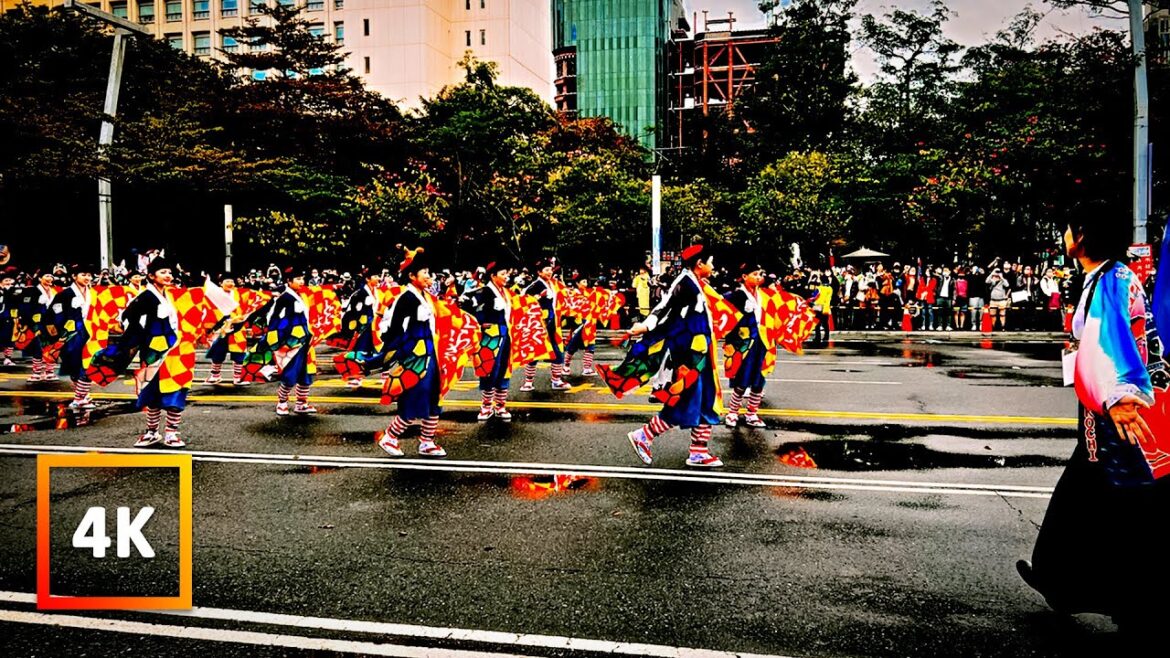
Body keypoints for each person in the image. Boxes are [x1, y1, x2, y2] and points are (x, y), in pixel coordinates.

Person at [1016, 205, 1166, 634]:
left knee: (1122, 505)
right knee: (1085, 496)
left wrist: (1119, 399)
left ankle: (1126, 601)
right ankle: (1062, 581)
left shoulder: (1110, 280)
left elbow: (1115, 342)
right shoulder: (1106, 276)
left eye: (1068, 228)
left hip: (1115, 413)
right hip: (1102, 412)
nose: (1064, 235)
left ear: (1081, 235)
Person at [612, 243, 724, 468]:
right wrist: (645, 326)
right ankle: (644, 435)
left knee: (706, 399)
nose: (713, 266)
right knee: (686, 399)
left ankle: (699, 451)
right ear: (699, 264)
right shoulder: (685, 283)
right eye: (711, 262)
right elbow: (665, 307)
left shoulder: (697, 283)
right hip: (689, 356)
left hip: (701, 354)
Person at [371, 247, 447, 458]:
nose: (429, 276)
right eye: (425, 272)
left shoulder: (426, 296)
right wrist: (392, 355)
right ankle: (390, 437)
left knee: (434, 396)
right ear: (412, 276)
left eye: (429, 272)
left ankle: (427, 441)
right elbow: (394, 329)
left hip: (431, 354)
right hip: (415, 357)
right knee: (415, 396)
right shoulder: (406, 298)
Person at [247, 268, 318, 416]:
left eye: (302, 278)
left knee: (306, 373)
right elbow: (274, 319)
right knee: (290, 373)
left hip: (305, 340)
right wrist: (283, 339)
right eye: (297, 279)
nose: (301, 282)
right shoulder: (284, 298)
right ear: (289, 281)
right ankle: (282, 402)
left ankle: (301, 403)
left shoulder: (301, 295)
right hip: (291, 342)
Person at [464, 260, 514, 421]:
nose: (506, 277)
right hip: (490, 336)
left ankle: (500, 406)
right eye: (503, 274)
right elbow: (464, 303)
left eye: (507, 274)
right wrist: (480, 322)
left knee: (504, 369)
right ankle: (486, 406)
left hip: (506, 335)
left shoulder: (506, 292)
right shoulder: (484, 292)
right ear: (493, 276)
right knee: (489, 369)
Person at [723, 262, 769, 429]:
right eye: (754, 274)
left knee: (759, 379)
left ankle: (752, 413)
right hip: (742, 344)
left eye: (760, 274)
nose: (758, 277)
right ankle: (732, 412)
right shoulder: (735, 295)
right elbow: (722, 313)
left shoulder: (764, 295)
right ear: (744, 277)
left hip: (762, 341)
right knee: (741, 379)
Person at [46, 264, 96, 409]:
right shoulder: (65, 294)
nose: (87, 278)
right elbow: (52, 314)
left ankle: (81, 397)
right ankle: (81, 397)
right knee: (75, 366)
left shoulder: (93, 293)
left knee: (88, 365)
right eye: (83, 274)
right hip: (72, 335)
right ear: (74, 276)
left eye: (89, 275)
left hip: (90, 333)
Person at [520, 258, 570, 392]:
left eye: (550, 270)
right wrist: (538, 297)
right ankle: (528, 382)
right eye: (546, 270)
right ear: (539, 272)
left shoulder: (553, 284)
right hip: (539, 324)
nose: (549, 272)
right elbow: (523, 299)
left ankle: (556, 380)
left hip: (553, 323)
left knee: (557, 352)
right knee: (535, 352)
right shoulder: (535, 285)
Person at [204, 273, 251, 386]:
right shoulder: (214, 294)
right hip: (221, 328)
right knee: (217, 351)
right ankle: (215, 376)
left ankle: (238, 377)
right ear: (220, 283)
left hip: (238, 327)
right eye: (227, 281)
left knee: (239, 353)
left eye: (232, 281)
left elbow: (249, 305)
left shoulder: (240, 293)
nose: (230, 283)